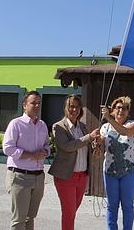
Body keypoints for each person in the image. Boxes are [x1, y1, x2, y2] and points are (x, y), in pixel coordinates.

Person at [48, 95, 100, 230]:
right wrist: (89, 137)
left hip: (82, 176)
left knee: (72, 211)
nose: (74, 109)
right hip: (66, 176)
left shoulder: (82, 126)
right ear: (65, 108)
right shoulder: (58, 126)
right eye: (71, 106)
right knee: (69, 212)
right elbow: (67, 146)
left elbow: (86, 145)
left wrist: (95, 145)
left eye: (77, 106)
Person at [2, 90, 50, 230]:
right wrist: (30, 155)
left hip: (38, 177)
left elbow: (47, 145)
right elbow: (8, 148)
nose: (36, 106)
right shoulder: (15, 124)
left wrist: (45, 151)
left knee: (30, 218)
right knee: (19, 220)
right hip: (19, 176)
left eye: (39, 103)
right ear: (24, 105)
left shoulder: (42, 125)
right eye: (33, 103)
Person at [99, 96, 134, 230]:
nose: (121, 111)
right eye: (118, 108)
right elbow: (101, 147)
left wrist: (109, 118)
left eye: (124, 108)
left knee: (127, 205)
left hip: (130, 171)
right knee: (112, 205)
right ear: (112, 110)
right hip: (110, 171)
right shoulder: (105, 127)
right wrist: (97, 144)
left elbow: (124, 131)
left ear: (128, 112)